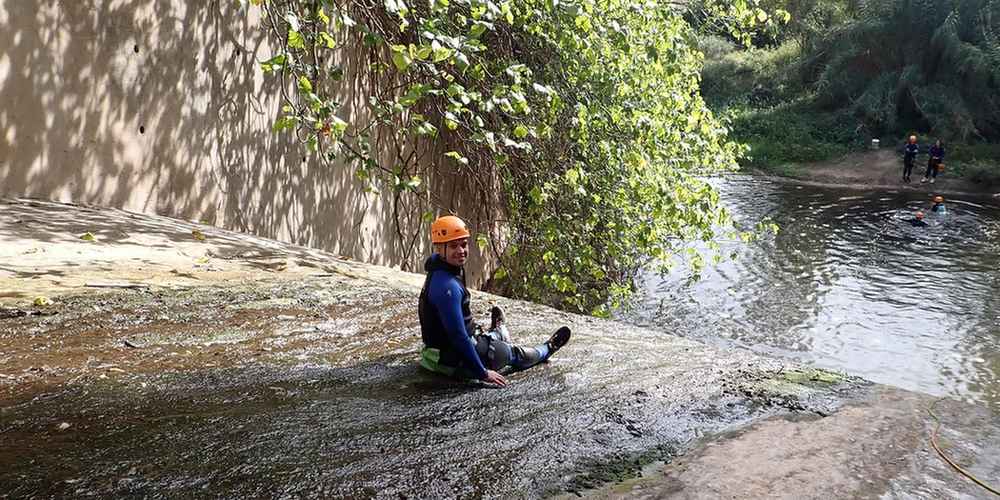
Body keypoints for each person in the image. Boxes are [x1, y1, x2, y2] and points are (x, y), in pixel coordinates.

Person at [418, 215, 571, 387]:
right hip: (452, 360)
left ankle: (498, 332)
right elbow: (458, 336)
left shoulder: (438, 269)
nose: (461, 250)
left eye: (464, 244)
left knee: (484, 338)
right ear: (439, 248)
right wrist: (482, 373)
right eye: (453, 246)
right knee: (514, 354)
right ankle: (547, 349)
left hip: (435, 354)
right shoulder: (447, 288)